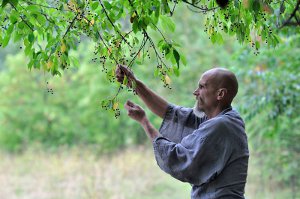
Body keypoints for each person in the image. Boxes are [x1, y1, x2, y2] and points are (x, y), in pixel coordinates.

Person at [115, 65, 249, 199]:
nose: (195, 92)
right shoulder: (220, 118)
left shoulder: (221, 126)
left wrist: (144, 122)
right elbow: (171, 113)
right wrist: (134, 83)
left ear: (220, 94)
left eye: (202, 87)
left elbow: (178, 158)